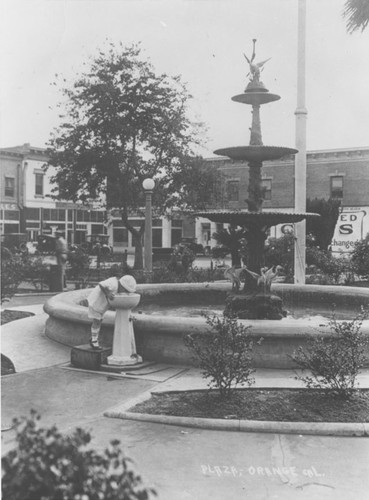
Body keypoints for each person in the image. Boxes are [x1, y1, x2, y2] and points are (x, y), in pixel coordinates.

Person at [87, 274, 137, 350]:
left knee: (99, 320)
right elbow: (101, 284)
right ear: (122, 286)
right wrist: (107, 293)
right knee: (97, 320)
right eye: (125, 290)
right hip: (95, 301)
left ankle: (94, 338)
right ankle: (94, 340)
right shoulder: (113, 283)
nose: (124, 292)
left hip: (100, 305)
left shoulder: (117, 286)